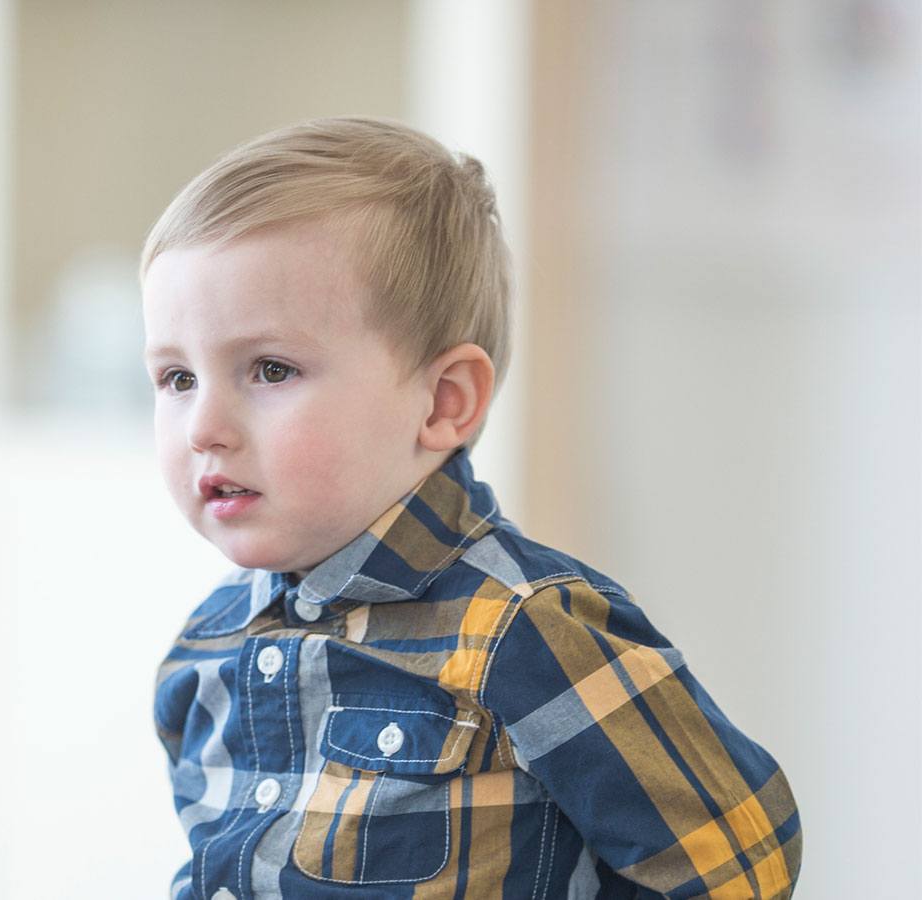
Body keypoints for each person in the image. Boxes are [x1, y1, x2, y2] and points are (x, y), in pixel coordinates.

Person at [143, 117, 799, 898]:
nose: (204, 428)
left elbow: (737, 862)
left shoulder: (526, 630)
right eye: (177, 378)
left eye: (271, 369)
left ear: (443, 401)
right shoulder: (203, 653)